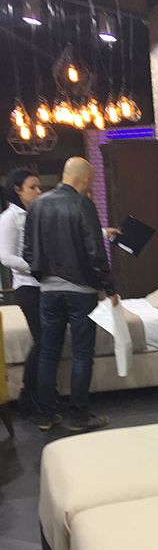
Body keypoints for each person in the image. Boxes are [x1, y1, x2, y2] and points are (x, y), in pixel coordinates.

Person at [23, 157, 118, 433]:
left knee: (48, 353)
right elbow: (95, 252)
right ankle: (79, 416)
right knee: (81, 354)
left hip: (48, 291)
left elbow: (28, 251)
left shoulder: (38, 204)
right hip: (80, 291)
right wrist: (109, 288)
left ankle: (45, 415)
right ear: (86, 178)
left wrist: (43, 277)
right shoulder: (83, 204)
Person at [0, 168, 43, 412]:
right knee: (43, 340)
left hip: (44, 286)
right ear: (17, 190)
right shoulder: (9, 218)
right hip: (28, 287)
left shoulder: (35, 213)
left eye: (38, 186)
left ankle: (42, 392)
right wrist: (36, 269)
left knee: (49, 341)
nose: (38, 191)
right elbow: (5, 257)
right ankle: (28, 393)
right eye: (32, 187)